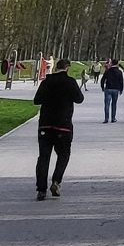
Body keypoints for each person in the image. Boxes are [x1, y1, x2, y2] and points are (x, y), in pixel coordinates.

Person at [33, 57, 84, 199]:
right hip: (63, 124)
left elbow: (37, 100)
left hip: (45, 124)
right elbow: (79, 99)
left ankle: (41, 189)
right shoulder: (70, 82)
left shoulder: (46, 82)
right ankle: (56, 181)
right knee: (64, 154)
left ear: (56, 68)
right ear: (67, 68)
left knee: (44, 157)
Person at [100, 56, 124, 123]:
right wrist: (121, 89)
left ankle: (106, 118)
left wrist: (102, 87)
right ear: (117, 63)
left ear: (112, 63)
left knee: (107, 104)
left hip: (108, 88)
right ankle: (113, 118)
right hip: (116, 89)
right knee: (114, 104)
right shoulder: (119, 72)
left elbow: (102, 79)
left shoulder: (108, 71)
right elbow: (121, 81)